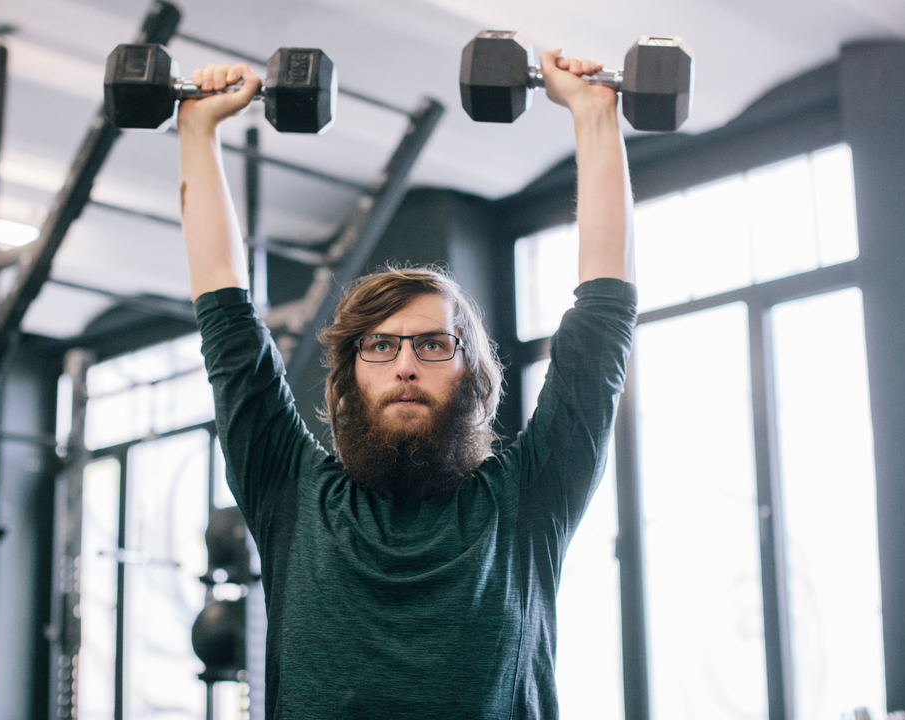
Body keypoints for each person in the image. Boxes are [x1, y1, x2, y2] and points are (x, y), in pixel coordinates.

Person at [179, 48, 637, 720]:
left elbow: (603, 316)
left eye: (432, 344)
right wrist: (197, 131)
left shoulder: (529, 497)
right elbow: (224, 311)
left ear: (472, 376)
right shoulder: (289, 490)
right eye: (380, 346)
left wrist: (596, 117)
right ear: (346, 378)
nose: (404, 364)